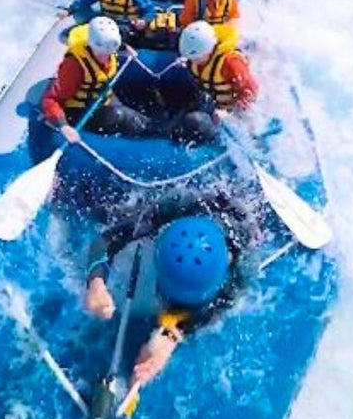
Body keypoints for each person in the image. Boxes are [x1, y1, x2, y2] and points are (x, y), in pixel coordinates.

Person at [81, 191, 261, 389]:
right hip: (193, 202)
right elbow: (106, 240)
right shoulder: (174, 207)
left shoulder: (242, 270)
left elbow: (214, 309)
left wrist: (172, 336)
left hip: (242, 216)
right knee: (103, 211)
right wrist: (96, 283)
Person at [39, 17, 149, 141]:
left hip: (101, 97)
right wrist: (64, 126)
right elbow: (51, 99)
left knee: (128, 115)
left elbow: (112, 46)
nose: (106, 56)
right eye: (102, 52)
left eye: (111, 51)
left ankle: (150, 128)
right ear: (91, 45)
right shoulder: (74, 66)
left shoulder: (107, 45)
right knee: (121, 116)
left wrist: (124, 48)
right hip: (80, 110)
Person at [172, 21, 259, 145]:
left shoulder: (231, 63)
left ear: (209, 50)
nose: (193, 61)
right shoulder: (195, 60)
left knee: (195, 121)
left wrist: (233, 114)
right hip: (212, 107)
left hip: (233, 114)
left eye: (196, 58)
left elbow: (250, 92)